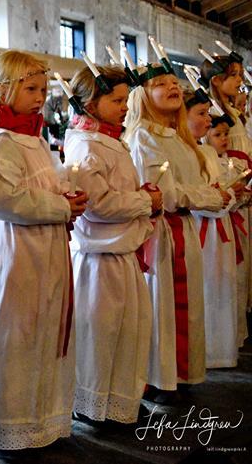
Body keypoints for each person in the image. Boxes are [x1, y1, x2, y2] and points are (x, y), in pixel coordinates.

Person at [0, 51, 86, 450]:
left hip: (42, 244)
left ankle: (39, 419)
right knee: (11, 330)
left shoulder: (31, 135)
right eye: (30, 89)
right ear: (2, 89)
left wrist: (64, 189)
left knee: (42, 329)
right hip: (11, 248)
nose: (39, 98)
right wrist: (62, 205)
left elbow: (38, 184)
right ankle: (4, 420)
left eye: (43, 90)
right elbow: (3, 199)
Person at [126, 63, 226, 401]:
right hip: (160, 232)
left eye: (175, 83)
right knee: (162, 303)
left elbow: (189, 187)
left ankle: (181, 374)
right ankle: (159, 377)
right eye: (161, 83)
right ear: (143, 95)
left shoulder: (181, 138)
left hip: (183, 227)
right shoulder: (144, 136)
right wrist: (212, 196)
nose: (173, 87)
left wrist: (208, 193)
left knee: (186, 304)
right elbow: (165, 194)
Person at [64, 66, 158, 424]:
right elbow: (98, 204)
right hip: (98, 259)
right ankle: (92, 404)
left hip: (121, 254)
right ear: (90, 102)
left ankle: (121, 400)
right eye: (117, 100)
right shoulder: (86, 145)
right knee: (99, 335)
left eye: (126, 100)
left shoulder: (110, 141)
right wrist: (145, 202)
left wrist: (140, 198)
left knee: (128, 332)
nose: (124, 107)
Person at [193, 102, 249, 366]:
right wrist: (224, 197)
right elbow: (196, 195)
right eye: (218, 133)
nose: (224, 139)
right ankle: (209, 350)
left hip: (221, 227)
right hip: (205, 230)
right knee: (207, 287)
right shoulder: (198, 155)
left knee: (224, 287)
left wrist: (233, 197)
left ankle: (223, 349)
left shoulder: (222, 160)